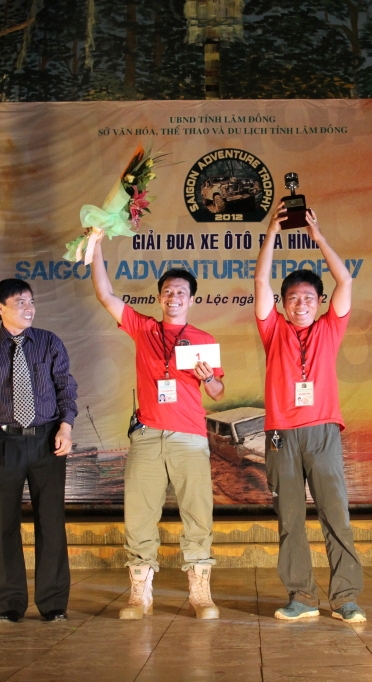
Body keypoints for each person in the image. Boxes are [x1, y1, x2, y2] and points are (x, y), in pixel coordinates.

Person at [90, 239, 225, 620]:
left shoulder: (203, 340)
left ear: (191, 300)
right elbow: (104, 294)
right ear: (159, 298)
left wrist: (207, 378)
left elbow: (217, 391)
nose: (174, 297)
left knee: (197, 513)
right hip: (148, 435)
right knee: (139, 513)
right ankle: (140, 593)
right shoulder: (144, 328)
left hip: (190, 437)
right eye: (168, 292)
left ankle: (200, 592)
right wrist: (95, 244)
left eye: (181, 292)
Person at [254, 202, 366, 623]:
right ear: (282, 304)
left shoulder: (329, 328)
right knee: (290, 518)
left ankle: (345, 598)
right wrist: (272, 232)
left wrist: (318, 238)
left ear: (319, 302)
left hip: (322, 431)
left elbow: (345, 279)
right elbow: (260, 279)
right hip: (280, 433)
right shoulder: (272, 329)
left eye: (308, 297)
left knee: (335, 514)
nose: (300, 303)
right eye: (293, 298)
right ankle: (301, 595)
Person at [0, 279, 78, 623]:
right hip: (3, 442)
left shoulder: (49, 342)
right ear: (0, 308)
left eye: (31, 302)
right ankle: (9, 603)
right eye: (20, 302)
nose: (29, 308)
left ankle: (53, 603)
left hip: (47, 440)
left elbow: (66, 387)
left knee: (51, 522)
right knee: (3, 523)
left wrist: (66, 427)